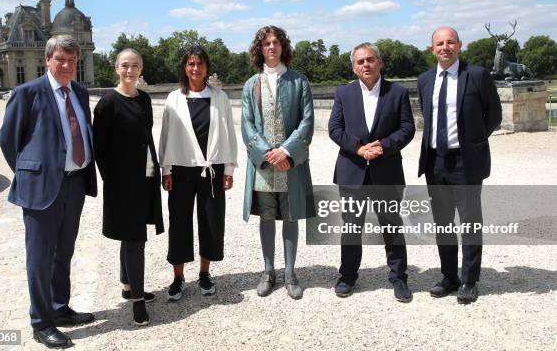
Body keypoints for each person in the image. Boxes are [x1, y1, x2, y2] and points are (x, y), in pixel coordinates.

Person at [0, 35, 97, 348]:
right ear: (47, 60)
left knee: (64, 251)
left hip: (76, 182)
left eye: (72, 60)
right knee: (39, 257)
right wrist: (30, 174)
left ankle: (58, 307)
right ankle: (41, 323)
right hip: (42, 188)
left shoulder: (80, 93)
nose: (67, 65)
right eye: (61, 59)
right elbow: (7, 140)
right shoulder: (27, 93)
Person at [417, 27, 501, 304]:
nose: (445, 47)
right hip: (435, 161)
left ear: (459, 45)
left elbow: (494, 116)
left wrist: (472, 143)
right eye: (439, 43)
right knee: (443, 223)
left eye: (450, 42)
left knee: (469, 222)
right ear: (432, 49)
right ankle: (449, 276)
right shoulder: (425, 80)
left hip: (466, 161)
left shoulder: (476, 75)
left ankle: (469, 280)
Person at [328, 42, 415, 302]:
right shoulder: (343, 93)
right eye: (360, 61)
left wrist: (383, 147)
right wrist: (358, 149)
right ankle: (348, 276)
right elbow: (334, 128)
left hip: (386, 170)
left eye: (370, 59)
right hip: (352, 170)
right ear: (354, 68)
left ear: (380, 63)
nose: (366, 64)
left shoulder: (397, 92)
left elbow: (407, 128)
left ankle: (399, 278)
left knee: (392, 226)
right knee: (351, 227)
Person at [158, 45, 237, 301]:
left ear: (207, 67)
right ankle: (178, 277)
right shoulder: (173, 98)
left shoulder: (219, 97)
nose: (195, 68)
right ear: (185, 67)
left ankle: (204, 273)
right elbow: (166, 136)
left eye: (200, 64)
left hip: (211, 170)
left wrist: (228, 167)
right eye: (191, 63)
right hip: (180, 169)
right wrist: (166, 169)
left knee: (211, 223)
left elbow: (228, 134)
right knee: (179, 224)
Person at [241, 25, 314, 300]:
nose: (271, 47)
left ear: (283, 47)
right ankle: (269, 271)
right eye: (266, 43)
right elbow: (247, 125)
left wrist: (286, 151)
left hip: (289, 163)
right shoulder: (251, 84)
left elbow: (307, 121)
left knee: (292, 216)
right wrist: (266, 153)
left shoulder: (299, 82)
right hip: (264, 165)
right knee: (267, 218)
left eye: (276, 42)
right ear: (260, 49)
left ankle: (291, 272)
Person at [92, 48, 164, 325]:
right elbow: (100, 150)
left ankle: (127, 286)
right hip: (123, 184)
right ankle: (137, 301)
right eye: (125, 65)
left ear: (141, 69)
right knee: (136, 241)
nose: (130, 70)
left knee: (131, 235)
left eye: (135, 65)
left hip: (146, 178)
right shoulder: (108, 103)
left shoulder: (144, 99)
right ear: (116, 68)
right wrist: (114, 181)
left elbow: (146, 136)